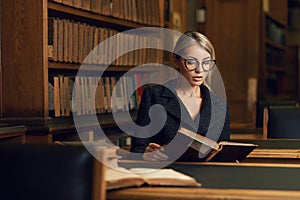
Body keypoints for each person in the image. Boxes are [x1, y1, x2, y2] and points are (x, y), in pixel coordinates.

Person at [130, 31, 230, 161]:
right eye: (191, 62)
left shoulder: (220, 105)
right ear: (176, 61)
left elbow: (224, 152)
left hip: (208, 176)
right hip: (167, 173)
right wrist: (145, 154)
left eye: (206, 63)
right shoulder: (154, 96)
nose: (199, 70)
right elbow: (137, 150)